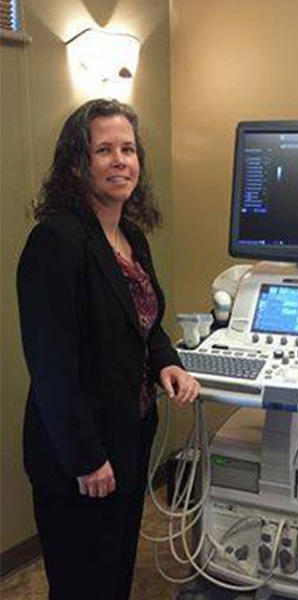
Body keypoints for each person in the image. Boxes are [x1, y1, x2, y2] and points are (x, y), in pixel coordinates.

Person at [17, 98, 200, 600]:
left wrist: (167, 364)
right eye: (104, 150)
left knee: (115, 568)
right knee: (83, 582)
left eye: (128, 149)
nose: (121, 160)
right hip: (80, 453)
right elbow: (52, 364)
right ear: (78, 164)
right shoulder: (56, 242)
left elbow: (146, 324)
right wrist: (86, 458)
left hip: (129, 436)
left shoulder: (130, 237)